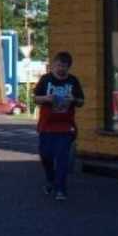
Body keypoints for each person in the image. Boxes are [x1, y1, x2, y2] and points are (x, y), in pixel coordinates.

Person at [33, 50, 86, 201]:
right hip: (46, 125)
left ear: (68, 67)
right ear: (53, 65)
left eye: (64, 66)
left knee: (62, 158)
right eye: (58, 65)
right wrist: (47, 98)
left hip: (66, 126)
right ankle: (50, 179)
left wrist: (73, 100)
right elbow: (35, 98)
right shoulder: (46, 79)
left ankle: (61, 189)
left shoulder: (73, 81)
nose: (60, 69)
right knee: (46, 155)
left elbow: (81, 101)